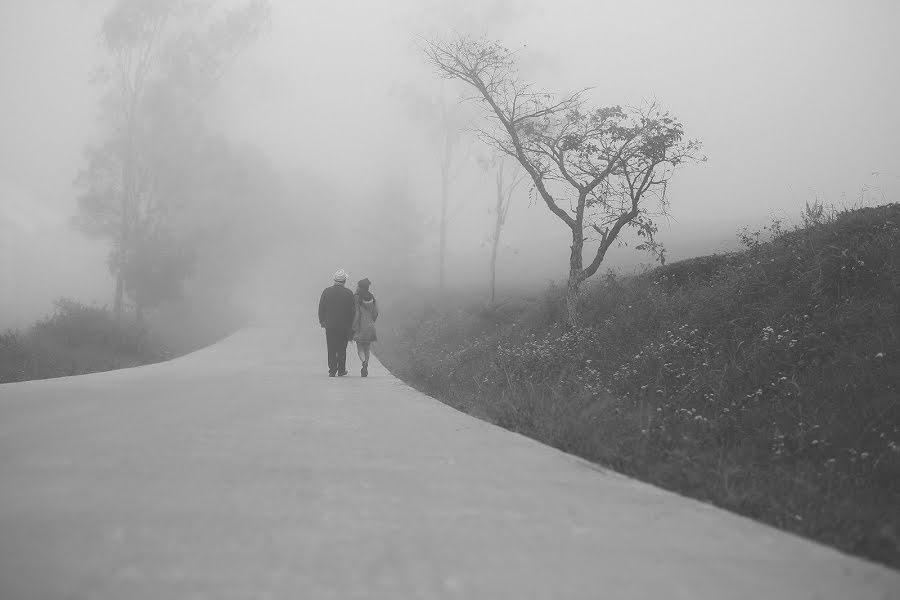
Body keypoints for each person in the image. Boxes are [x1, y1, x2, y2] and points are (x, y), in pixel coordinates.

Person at [318, 269, 355, 377]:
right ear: (344, 281)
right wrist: (352, 325)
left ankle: (332, 370)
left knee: (331, 347)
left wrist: (322, 321)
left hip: (330, 325)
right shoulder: (349, 293)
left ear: (334, 280)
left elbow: (321, 308)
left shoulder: (326, 291)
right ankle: (341, 370)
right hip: (344, 325)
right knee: (342, 348)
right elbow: (352, 311)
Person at [352, 278, 378, 377]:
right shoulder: (372, 297)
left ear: (360, 287)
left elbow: (357, 314)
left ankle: (363, 362)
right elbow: (376, 312)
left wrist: (354, 326)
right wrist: (371, 321)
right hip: (370, 325)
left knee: (360, 348)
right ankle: (366, 363)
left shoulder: (357, 298)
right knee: (367, 348)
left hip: (360, 325)